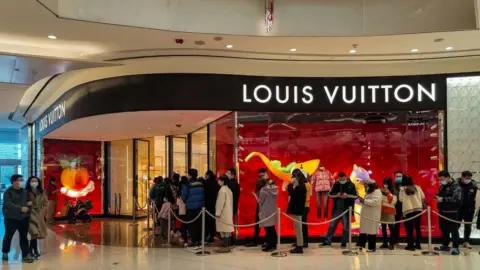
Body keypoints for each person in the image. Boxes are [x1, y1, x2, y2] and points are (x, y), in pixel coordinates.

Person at [2, 174, 34, 263]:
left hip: (24, 218)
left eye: (22, 180)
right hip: (11, 218)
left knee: (24, 237)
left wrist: (29, 206)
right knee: (8, 236)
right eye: (19, 180)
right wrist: (21, 208)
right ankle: (5, 252)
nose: (21, 182)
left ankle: (25, 255)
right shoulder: (8, 192)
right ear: (13, 182)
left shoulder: (24, 191)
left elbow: (29, 202)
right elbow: (8, 204)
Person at [321, 172, 357, 248]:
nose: (341, 180)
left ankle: (344, 242)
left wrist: (347, 196)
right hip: (337, 210)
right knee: (332, 226)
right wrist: (337, 195)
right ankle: (327, 242)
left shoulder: (351, 185)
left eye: (342, 179)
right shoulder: (336, 184)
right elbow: (330, 194)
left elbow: (356, 196)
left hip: (347, 210)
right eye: (340, 179)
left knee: (346, 227)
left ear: (345, 177)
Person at [434, 171, 462, 255]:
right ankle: (445, 245)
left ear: (448, 177)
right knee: (443, 229)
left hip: (452, 212)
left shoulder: (455, 186)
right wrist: (437, 197)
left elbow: (457, 199)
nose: (441, 181)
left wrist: (443, 199)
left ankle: (456, 247)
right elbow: (439, 194)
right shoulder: (442, 186)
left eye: (442, 179)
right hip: (442, 211)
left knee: (454, 230)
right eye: (440, 180)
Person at [399, 175, 425, 251]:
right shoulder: (417, 187)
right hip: (418, 209)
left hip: (408, 210)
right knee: (417, 227)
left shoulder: (402, 189)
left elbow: (401, 199)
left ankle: (410, 245)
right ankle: (418, 244)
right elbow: (423, 196)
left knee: (409, 228)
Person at [181, 169, 205, 249]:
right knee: (199, 224)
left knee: (192, 225)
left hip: (190, 208)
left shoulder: (187, 185)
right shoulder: (201, 184)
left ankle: (194, 241)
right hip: (200, 207)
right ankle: (199, 241)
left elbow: (183, 197)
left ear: (190, 175)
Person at [356, 179, 382, 252]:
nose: (365, 186)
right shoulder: (369, 191)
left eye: (366, 185)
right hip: (366, 214)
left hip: (372, 215)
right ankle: (361, 245)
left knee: (371, 231)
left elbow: (375, 202)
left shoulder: (377, 191)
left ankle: (371, 247)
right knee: (363, 230)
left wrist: (364, 201)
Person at [245, 168, 269, 247]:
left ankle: (264, 240)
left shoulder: (267, 181)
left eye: (261, 175)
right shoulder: (264, 181)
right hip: (261, 202)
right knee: (259, 222)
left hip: (264, 203)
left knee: (265, 223)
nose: (260, 177)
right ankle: (259, 239)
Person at [26, 176, 48, 259]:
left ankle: (32, 250)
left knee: (35, 234)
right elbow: (22, 203)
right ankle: (34, 250)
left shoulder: (41, 192)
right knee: (34, 232)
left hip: (39, 215)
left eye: (35, 181)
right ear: (29, 182)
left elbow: (46, 203)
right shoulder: (26, 192)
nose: (34, 182)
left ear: (38, 182)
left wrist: (42, 212)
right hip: (30, 215)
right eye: (32, 181)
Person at [287, 168, 307, 254]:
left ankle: (299, 246)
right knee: (298, 228)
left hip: (297, 210)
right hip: (299, 209)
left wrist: (290, 185)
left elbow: (292, 194)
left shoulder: (300, 187)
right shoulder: (302, 186)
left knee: (298, 229)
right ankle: (299, 244)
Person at [255, 175, 278, 252]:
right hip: (272, 211)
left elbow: (260, 202)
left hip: (265, 211)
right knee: (272, 229)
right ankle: (274, 244)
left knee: (268, 230)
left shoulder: (263, 190)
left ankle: (270, 245)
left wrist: (256, 197)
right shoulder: (274, 189)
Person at [457, 171, 477, 249]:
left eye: (469, 178)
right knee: (456, 226)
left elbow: (475, 198)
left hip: (469, 209)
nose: (468, 179)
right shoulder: (456, 185)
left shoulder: (473, 186)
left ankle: (466, 241)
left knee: (468, 226)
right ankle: (456, 242)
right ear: (462, 177)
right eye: (466, 178)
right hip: (458, 209)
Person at [215, 175, 234, 253]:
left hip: (223, 213)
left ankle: (225, 247)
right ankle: (228, 246)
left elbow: (220, 203)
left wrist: (217, 213)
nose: (218, 182)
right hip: (228, 212)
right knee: (227, 231)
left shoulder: (222, 190)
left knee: (223, 231)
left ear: (222, 181)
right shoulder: (228, 190)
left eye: (220, 180)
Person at [380, 177, 397, 250]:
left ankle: (391, 243)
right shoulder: (381, 191)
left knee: (391, 228)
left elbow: (393, 201)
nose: (385, 184)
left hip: (390, 211)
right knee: (383, 227)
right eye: (384, 183)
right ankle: (385, 243)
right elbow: (380, 200)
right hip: (382, 210)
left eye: (387, 183)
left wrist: (387, 193)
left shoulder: (393, 190)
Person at [203, 170, 220, 244]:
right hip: (214, 204)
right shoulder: (215, 183)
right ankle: (212, 235)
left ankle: (207, 235)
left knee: (206, 221)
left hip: (206, 204)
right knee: (213, 220)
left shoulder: (205, 183)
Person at [226, 168, 240, 247]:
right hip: (233, 206)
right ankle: (230, 241)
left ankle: (230, 241)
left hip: (230, 206)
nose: (226, 174)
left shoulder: (231, 184)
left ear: (232, 175)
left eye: (228, 173)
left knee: (229, 223)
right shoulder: (235, 184)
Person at [391, 170, 403, 246]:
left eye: (400, 176)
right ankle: (395, 240)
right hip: (395, 207)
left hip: (405, 207)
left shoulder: (405, 185)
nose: (398, 178)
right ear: (394, 177)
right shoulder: (392, 186)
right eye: (397, 176)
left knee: (408, 224)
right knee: (395, 224)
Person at [302, 174, 312, 248]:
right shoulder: (307, 184)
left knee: (303, 225)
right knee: (302, 225)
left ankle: (304, 242)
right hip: (305, 206)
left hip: (304, 206)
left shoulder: (305, 185)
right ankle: (302, 241)